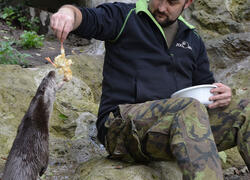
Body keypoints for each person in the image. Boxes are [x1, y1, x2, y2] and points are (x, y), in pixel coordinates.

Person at [50, 0, 250, 179]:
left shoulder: (193, 39)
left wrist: (221, 94)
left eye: (172, 2)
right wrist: (68, 13)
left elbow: (205, 89)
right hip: (121, 127)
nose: (162, 7)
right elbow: (85, 17)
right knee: (188, 107)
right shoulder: (124, 16)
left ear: (187, 3)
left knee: (246, 109)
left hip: (175, 128)